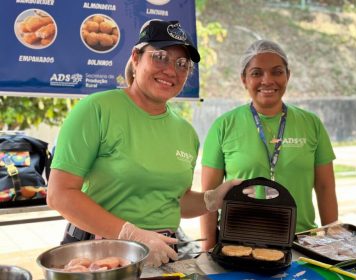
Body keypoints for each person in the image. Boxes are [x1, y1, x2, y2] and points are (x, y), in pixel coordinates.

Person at [47, 19, 241, 268]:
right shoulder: (96, 109)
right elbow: (60, 194)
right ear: (136, 58)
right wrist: (132, 236)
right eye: (160, 57)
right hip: (99, 256)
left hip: (163, 254)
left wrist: (210, 200)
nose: (171, 70)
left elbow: (173, 200)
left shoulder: (185, 132)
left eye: (182, 64)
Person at [200, 39, 338, 251]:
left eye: (277, 72)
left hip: (300, 243)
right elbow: (209, 197)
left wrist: (331, 240)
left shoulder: (311, 124)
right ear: (244, 80)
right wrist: (208, 249)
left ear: (287, 76)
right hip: (238, 244)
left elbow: (325, 187)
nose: (267, 80)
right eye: (256, 73)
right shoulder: (224, 125)